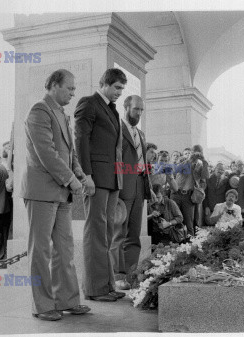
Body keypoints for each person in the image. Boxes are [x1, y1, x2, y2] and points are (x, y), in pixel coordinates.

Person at [20, 69, 91, 321]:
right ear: (52, 85)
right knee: (40, 251)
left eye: (74, 89)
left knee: (65, 248)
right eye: (69, 88)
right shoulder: (39, 111)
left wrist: (81, 176)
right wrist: (72, 180)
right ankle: (42, 305)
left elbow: (69, 153)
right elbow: (46, 153)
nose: (73, 93)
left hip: (61, 192)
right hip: (41, 192)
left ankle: (68, 300)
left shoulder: (61, 113)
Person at [74, 68, 126, 302]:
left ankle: (107, 285)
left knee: (106, 232)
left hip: (112, 178)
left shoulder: (113, 110)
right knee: (95, 232)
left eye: (122, 89)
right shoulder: (89, 103)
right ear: (104, 83)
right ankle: (95, 289)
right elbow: (80, 140)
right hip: (96, 178)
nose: (119, 93)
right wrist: (86, 175)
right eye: (116, 88)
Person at [111, 95, 152, 291]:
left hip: (140, 186)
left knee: (134, 234)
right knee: (119, 233)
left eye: (142, 110)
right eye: (136, 109)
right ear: (126, 107)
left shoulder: (141, 134)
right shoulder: (116, 128)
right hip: (122, 186)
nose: (139, 113)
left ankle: (131, 274)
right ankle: (118, 275)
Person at [171, 145, 208, 237]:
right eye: (194, 152)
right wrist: (190, 160)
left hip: (189, 196)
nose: (196, 154)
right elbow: (176, 170)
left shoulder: (200, 165)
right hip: (176, 194)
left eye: (199, 152)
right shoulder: (182, 160)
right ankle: (175, 242)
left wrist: (204, 161)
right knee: (175, 220)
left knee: (189, 223)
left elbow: (206, 177)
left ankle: (189, 245)